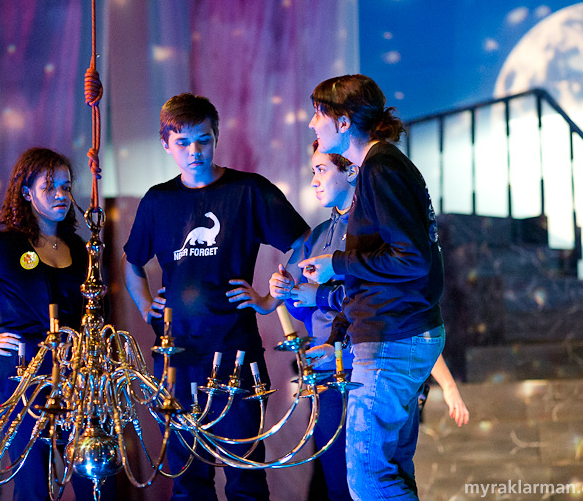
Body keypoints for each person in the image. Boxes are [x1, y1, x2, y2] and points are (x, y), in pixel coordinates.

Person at [122, 93, 309, 501]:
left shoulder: (249, 191)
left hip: (235, 352)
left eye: (203, 140)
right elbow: (132, 264)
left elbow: (303, 243)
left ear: (216, 136)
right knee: (188, 478)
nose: (195, 152)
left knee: (244, 474)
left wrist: (269, 299)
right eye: (183, 142)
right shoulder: (157, 201)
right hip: (175, 358)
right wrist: (145, 304)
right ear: (166, 145)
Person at [265, 142, 468, 500]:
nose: (313, 180)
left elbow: (384, 299)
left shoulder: (371, 228)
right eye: (312, 170)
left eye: (322, 169)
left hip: (369, 360)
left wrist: (323, 301)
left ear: (352, 170)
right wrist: (287, 293)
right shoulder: (316, 236)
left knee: (370, 479)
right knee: (348, 482)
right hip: (332, 369)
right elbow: (309, 311)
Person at [295, 74, 446, 500]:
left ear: (343, 123)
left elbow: (412, 258)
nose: (311, 124)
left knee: (367, 480)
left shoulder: (380, 168)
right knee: (388, 472)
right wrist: (342, 333)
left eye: (319, 114)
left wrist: (337, 265)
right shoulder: (381, 167)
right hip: (393, 335)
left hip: (393, 341)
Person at [0, 147, 109, 501]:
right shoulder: (5, 245)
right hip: (23, 373)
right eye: (50, 187)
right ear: (27, 193)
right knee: (33, 482)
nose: (61, 195)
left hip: (77, 371)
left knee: (96, 473)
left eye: (65, 186)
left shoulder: (79, 244)